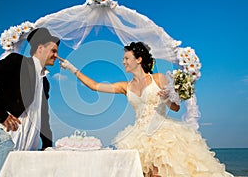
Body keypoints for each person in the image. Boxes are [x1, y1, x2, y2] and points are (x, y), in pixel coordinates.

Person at [60, 41, 233, 177]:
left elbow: (175, 107)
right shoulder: (124, 86)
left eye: (127, 58)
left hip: (163, 133)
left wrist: (167, 98)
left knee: (160, 173)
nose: (123, 62)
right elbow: (95, 86)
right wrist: (72, 68)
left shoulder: (158, 78)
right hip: (138, 136)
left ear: (139, 59)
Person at [0, 27, 60, 177]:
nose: (56, 56)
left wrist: (47, 144)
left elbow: (43, 116)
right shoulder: (16, 62)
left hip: (30, 144)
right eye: (53, 51)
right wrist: (1, 115)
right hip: (8, 138)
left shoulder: (45, 82)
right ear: (40, 48)